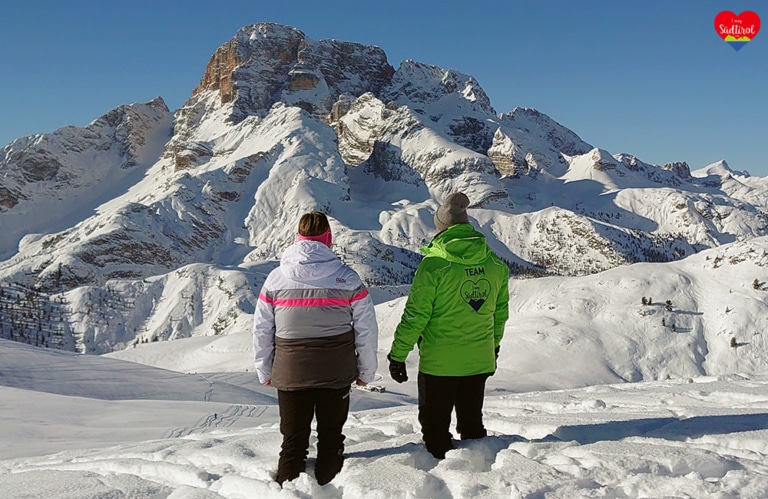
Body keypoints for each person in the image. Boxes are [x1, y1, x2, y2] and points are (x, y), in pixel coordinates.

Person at [253, 211, 378, 486]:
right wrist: (366, 371)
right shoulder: (347, 278)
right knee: (331, 437)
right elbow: (366, 330)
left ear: (298, 238)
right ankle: (329, 487)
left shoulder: (275, 279)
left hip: (290, 371)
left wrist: (265, 370)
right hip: (336, 370)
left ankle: (288, 489)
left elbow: (262, 330)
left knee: (293, 441)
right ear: (328, 239)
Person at [387, 192, 509, 459]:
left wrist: (398, 355)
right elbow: (499, 315)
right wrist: (493, 346)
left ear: (440, 228)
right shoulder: (495, 264)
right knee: (473, 427)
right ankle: (480, 475)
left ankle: (440, 480)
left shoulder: (434, 266)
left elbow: (415, 316)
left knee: (435, 431)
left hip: (439, 365)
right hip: (478, 360)